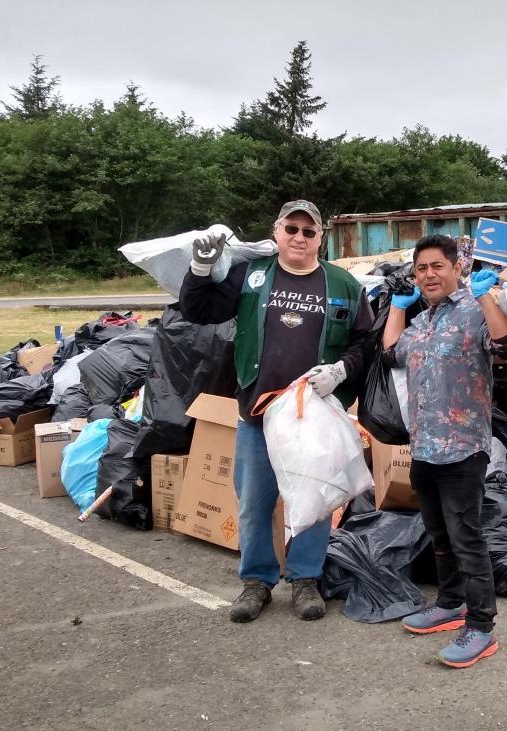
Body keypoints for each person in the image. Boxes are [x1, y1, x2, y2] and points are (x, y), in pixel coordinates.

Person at [180, 200, 372, 624]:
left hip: (312, 418)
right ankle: (256, 583)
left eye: (309, 231)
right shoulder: (252, 276)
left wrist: (341, 370)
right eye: (292, 229)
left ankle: (305, 579)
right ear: (277, 231)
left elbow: (364, 342)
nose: (299, 237)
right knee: (253, 503)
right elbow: (199, 311)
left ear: (321, 237)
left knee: (314, 501)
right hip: (257, 415)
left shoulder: (342, 284)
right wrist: (198, 271)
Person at [381, 234, 507, 668]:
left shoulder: (475, 312)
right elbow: (390, 354)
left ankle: (481, 626)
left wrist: (486, 299)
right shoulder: (421, 322)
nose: (428, 275)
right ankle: (449, 603)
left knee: (467, 538)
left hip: (463, 448)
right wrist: (399, 307)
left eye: (436, 266)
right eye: (421, 269)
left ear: (455, 267)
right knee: (439, 534)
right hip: (423, 446)